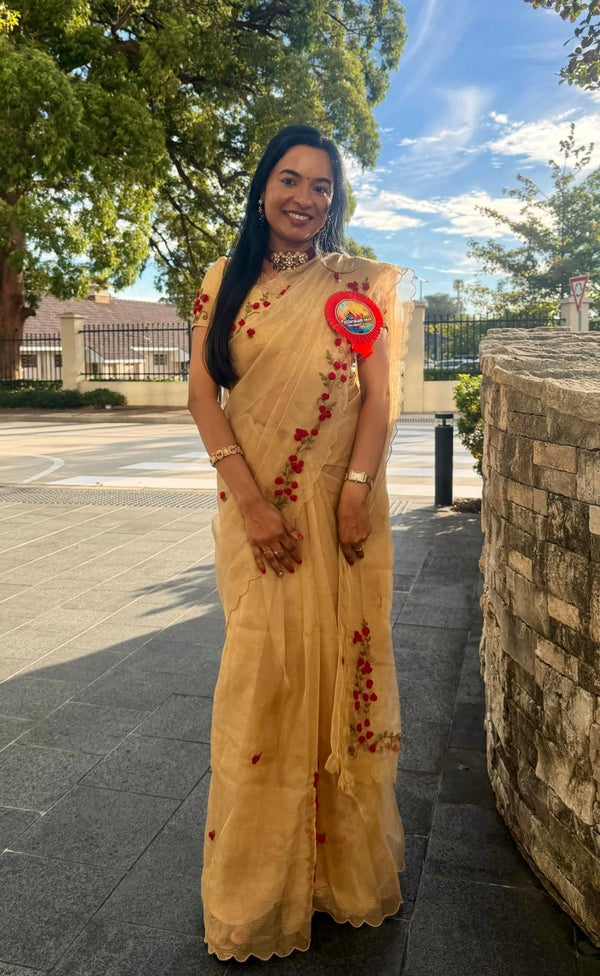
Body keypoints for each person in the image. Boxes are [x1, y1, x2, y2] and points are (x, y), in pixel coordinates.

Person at [187, 124, 414, 963]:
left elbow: (380, 401)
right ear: (262, 190)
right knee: (265, 684)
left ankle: (332, 880)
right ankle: (257, 891)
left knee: (332, 680)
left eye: (322, 186)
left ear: (335, 201)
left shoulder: (358, 285)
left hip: (334, 515)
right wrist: (250, 505)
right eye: (290, 179)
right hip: (256, 519)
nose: (304, 198)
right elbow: (204, 398)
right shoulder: (226, 279)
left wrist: (355, 494)